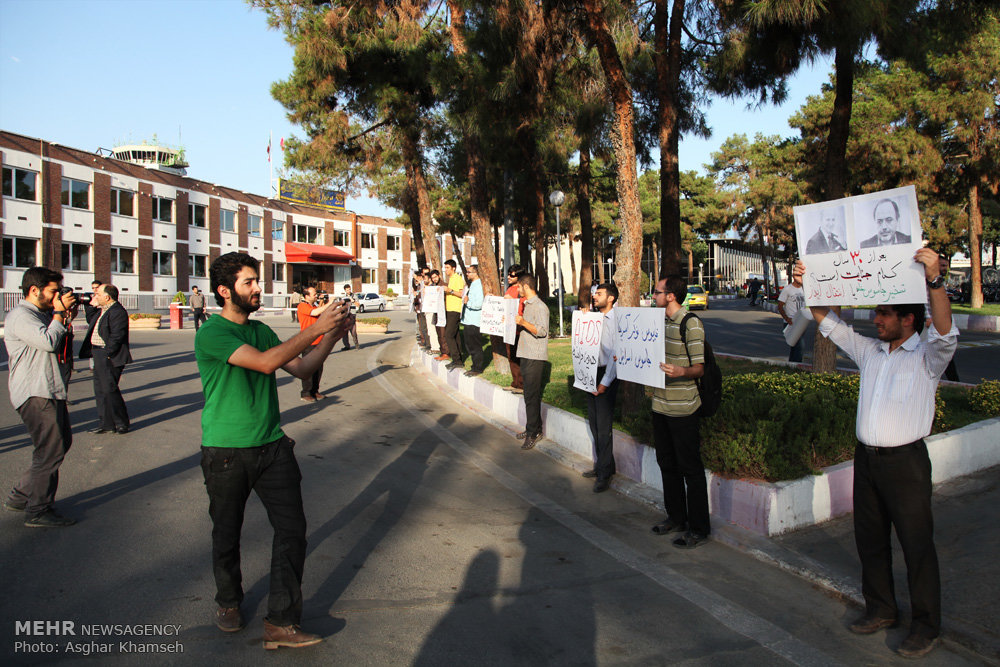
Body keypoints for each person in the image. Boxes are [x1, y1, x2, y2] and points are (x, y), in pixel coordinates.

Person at [795, 247, 956, 659]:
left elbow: (945, 329)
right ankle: (882, 609)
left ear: (908, 319)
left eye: (883, 313)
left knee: (916, 546)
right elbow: (828, 322)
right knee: (870, 540)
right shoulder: (871, 351)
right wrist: (808, 283)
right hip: (866, 461)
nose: (875, 319)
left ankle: (925, 625)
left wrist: (934, 279)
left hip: (906, 465)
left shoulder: (928, 357)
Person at [195, 252, 349, 649]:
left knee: (293, 530)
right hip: (226, 450)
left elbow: (300, 368)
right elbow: (265, 364)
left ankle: (281, 622)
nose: (258, 288)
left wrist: (331, 334)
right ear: (224, 291)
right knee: (227, 533)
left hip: (272, 446)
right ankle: (229, 601)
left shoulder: (261, 329)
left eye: (256, 281)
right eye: (248, 283)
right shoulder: (212, 333)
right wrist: (315, 325)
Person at [3, 267, 77, 527]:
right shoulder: (21, 315)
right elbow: (48, 342)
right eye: (53, 291)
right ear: (34, 290)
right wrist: (58, 314)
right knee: (50, 450)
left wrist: (64, 318)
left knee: (60, 443)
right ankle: (38, 509)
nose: (57, 296)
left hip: (48, 388)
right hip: (35, 391)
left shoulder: (38, 314)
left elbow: (56, 341)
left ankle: (21, 494)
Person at [648, 276, 710, 549]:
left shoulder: (691, 324)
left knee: (690, 469)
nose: (654, 296)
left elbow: (700, 367)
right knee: (666, 464)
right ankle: (676, 517)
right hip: (659, 404)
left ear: (671, 295)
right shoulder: (656, 321)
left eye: (657, 292)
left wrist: (682, 371)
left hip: (684, 408)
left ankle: (698, 528)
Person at [79, 284, 132, 435]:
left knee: (110, 390)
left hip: (108, 355)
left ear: (107, 297)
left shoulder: (117, 312)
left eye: (98, 294)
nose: (95, 296)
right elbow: (91, 321)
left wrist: (108, 353)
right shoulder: (102, 310)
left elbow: (117, 336)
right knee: (100, 390)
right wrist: (90, 306)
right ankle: (106, 423)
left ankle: (121, 423)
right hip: (97, 353)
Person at [581, 283, 619, 493]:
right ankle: (605, 465)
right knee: (595, 423)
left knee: (604, 427)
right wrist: (584, 319)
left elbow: (616, 354)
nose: (594, 296)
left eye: (600, 294)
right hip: (590, 373)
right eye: (595, 293)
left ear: (611, 298)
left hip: (607, 375)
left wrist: (604, 383)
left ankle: (605, 474)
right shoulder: (593, 317)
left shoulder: (616, 321)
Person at [514, 273, 549, 450]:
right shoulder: (527, 305)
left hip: (535, 356)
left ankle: (533, 433)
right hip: (526, 354)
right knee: (529, 394)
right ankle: (533, 428)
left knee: (532, 395)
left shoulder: (540, 306)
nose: (517, 289)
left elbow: (542, 331)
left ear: (526, 287)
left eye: (519, 287)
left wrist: (523, 322)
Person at [296, 286, 334, 402]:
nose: (316, 295)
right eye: (314, 294)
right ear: (306, 296)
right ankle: (306, 393)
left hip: (318, 342)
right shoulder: (302, 306)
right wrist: (330, 302)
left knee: (318, 368)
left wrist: (324, 302)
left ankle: (315, 391)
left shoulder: (314, 305)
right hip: (308, 342)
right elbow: (315, 313)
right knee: (309, 368)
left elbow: (321, 312)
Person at [441, 260, 466, 370]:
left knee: (448, 335)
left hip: (455, 310)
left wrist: (450, 291)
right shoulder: (451, 279)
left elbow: (461, 294)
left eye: (447, 268)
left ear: (453, 268)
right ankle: (458, 358)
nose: (445, 270)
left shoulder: (458, 279)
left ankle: (456, 360)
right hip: (449, 309)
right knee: (455, 335)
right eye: (445, 268)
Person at [504, 266, 525, 394]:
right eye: (508, 274)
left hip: (518, 330)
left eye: (512, 275)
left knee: (518, 358)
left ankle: (522, 385)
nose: (508, 277)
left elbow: (524, 306)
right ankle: (515, 382)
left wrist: (513, 301)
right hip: (508, 328)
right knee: (511, 357)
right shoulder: (509, 288)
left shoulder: (521, 290)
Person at [461, 264, 485, 376]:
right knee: (469, 345)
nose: (467, 274)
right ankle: (474, 366)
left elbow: (479, 304)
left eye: (469, 272)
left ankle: (478, 368)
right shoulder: (472, 284)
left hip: (474, 321)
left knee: (475, 345)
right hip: (468, 320)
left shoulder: (479, 285)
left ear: (476, 273)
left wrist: (467, 302)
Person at [777, 272, 806, 362]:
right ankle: (797, 366)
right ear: (794, 277)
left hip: (801, 321)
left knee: (795, 346)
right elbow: (780, 306)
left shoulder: (803, 289)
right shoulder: (787, 289)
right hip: (791, 323)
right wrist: (787, 319)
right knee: (800, 346)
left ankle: (792, 365)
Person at [430, 270, 449, 360]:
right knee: (438, 333)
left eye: (435, 277)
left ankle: (446, 352)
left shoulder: (444, 285)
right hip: (436, 312)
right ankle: (442, 352)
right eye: (432, 278)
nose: (434, 279)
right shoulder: (433, 287)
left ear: (439, 276)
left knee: (442, 333)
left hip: (443, 312)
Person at [341, 284, 359, 351]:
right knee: (344, 332)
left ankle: (356, 345)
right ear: (345, 290)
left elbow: (358, 305)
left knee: (353, 331)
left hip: (352, 315)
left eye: (349, 289)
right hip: (345, 316)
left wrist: (353, 301)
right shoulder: (343, 297)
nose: (349, 291)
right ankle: (346, 346)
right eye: (347, 289)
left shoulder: (354, 296)